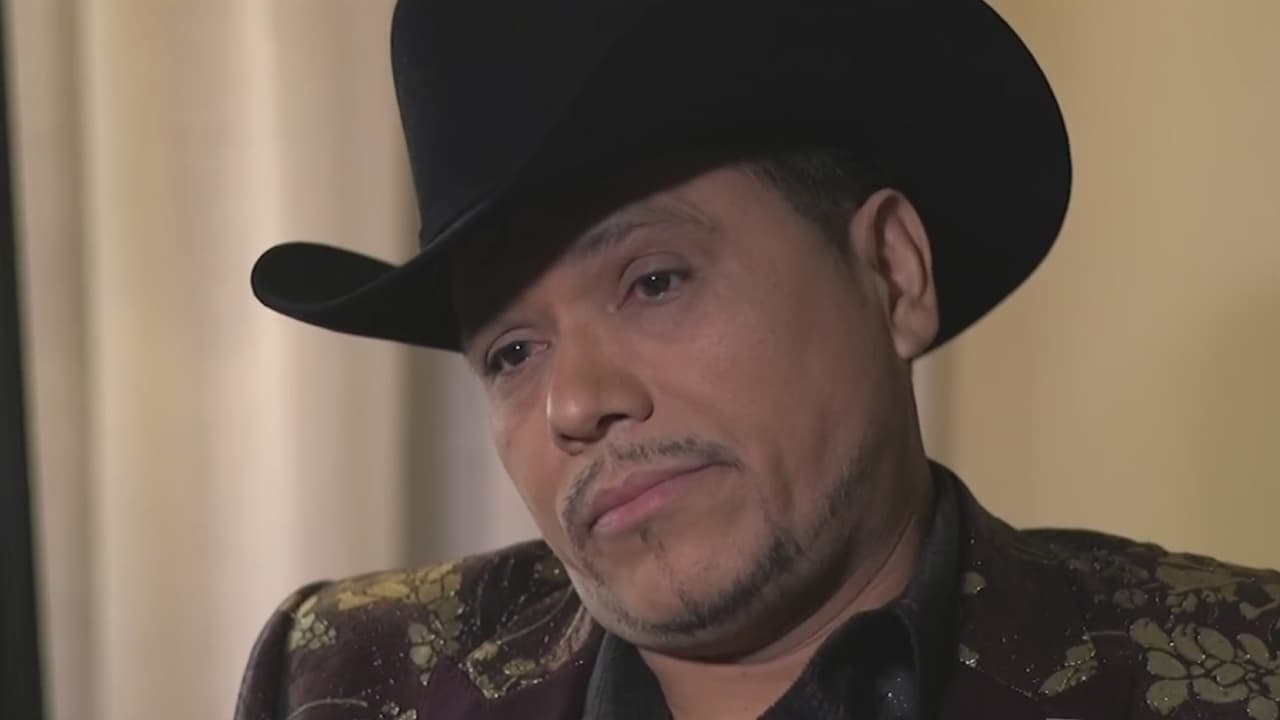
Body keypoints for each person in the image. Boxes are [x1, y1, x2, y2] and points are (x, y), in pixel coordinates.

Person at [234, 1, 1280, 718]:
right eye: (511, 351)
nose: (574, 402)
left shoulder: (1233, 674)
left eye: (654, 281)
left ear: (892, 272)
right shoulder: (345, 678)